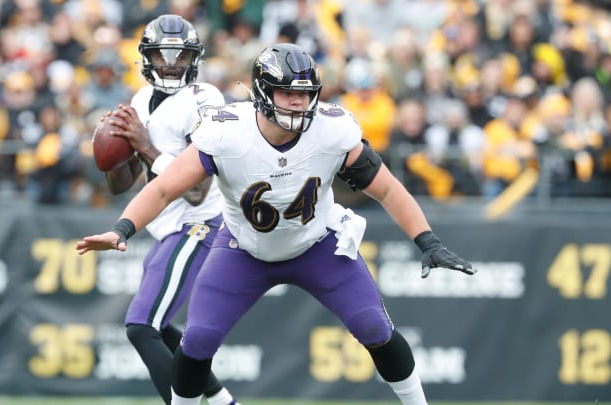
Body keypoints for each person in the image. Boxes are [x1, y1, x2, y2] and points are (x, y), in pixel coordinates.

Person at [78, 43, 476, 404]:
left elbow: (388, 190)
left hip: (316, 244)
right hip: (243, 250)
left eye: (305, 93)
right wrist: (122, 229)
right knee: (197, 340)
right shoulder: (226, 132)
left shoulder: (333, 129)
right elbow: (164, 189)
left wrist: (427, 241)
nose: (299, 102)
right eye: (289, 92)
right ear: (264, 92)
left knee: (374, 327)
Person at [97, 14, 239, 405]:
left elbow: (196, 189)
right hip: (170, 228)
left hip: (202, 223)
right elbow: (121, 185)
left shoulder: (205, 99)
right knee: (165, 330)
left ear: (194, 58)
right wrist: (113, 152)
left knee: (142, 326)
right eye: (164, 54)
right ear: (147, 57)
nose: (173, 63)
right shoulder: (141, 101)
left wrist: (143, 145)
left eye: (181, 55)